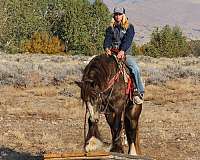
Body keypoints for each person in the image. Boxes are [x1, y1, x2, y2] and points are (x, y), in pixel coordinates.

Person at [103, 7, 144, 104]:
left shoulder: (129, 27)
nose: (118, 16)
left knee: (135, 68)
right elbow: (107, 39)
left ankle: (138, 91)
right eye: (116, 14)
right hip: (112, 53)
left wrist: (122, 51)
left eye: (120, 14)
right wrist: (106, 48)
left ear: (123, 15)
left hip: (125, 54)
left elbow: (128, 40)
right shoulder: (110, 28)